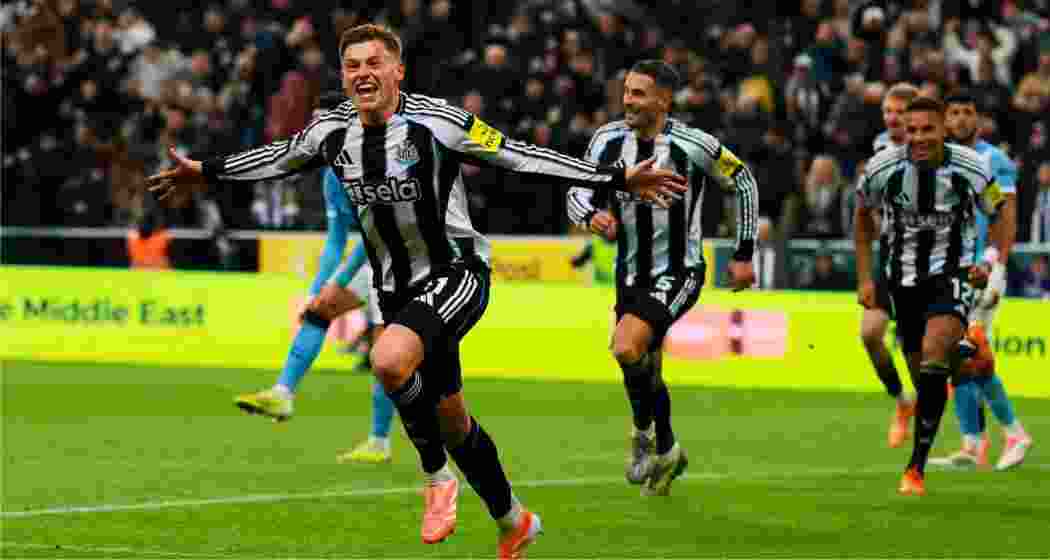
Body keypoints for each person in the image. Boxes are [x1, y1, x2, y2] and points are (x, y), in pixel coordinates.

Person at [147, 23, 686, 558]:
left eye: (374, 63)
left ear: (397, 70)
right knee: (453, 422)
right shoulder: (332, 132)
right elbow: (276, 157)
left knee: (388, 359)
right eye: (352, 65)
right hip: (396, 287)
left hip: (457, 273)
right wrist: (205, 171)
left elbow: (522, 155)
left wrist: (614, 179)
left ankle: (436, 480)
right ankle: (513, 519)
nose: (363, 74)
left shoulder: (438, 122)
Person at [567, 60, 757, 496]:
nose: (627, 101)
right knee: (646, 366)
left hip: (680, 271)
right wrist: (591, 216)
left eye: (638, 93)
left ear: (664, 100)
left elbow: (743, 181)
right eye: (626, 91)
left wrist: (744, 254)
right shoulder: (607, 140)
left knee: (625, 345)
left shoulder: (694, 145)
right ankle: (669, 450)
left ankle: (641, 438)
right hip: (629, 273)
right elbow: (576, 189)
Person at [232, 91, 398, 463]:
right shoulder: (331, 178)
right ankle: (283, 393)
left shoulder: (375, 165)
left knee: (385, 356)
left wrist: (337, 281)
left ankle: (379, 441)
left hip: (405, 257)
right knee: (318, 309)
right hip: (372, 255)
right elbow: (337, 239)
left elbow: (377, 233)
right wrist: (316, 287)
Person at [854, 96, 1007, 496]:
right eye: (913, 129)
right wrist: (865, 277)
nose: (920, 137)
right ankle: (968, 356)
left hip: (951, 271)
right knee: (928, 377)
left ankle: (915, 469)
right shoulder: (883, 167)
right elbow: (861, 218)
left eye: (928, 129)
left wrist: (990, 260)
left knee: (934, 352)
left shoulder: (971, 168)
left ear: (943, 129)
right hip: (902, 278)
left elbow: (1001, 211)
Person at [927, 92, 1032, 471]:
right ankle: (973, 444)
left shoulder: (994, 161)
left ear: (978, 119)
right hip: (951, 270)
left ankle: (1013, 433)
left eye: (966, 113)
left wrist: (997, 263)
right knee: (960, 357)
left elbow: (1006, 217)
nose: (959, 119)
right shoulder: (943, 160)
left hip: (981, 271)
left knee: (971, 353)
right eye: (953, 113)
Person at [859, 82, 920, 449]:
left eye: (900, 111)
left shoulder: (937, 151)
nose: (892, 118)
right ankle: (902, 401)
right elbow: (867, 206)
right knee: (870, 334)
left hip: (932, 259)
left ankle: (967, 430)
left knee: (929, 348)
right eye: (887, 112)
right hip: (891, 256)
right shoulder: (880, 148)